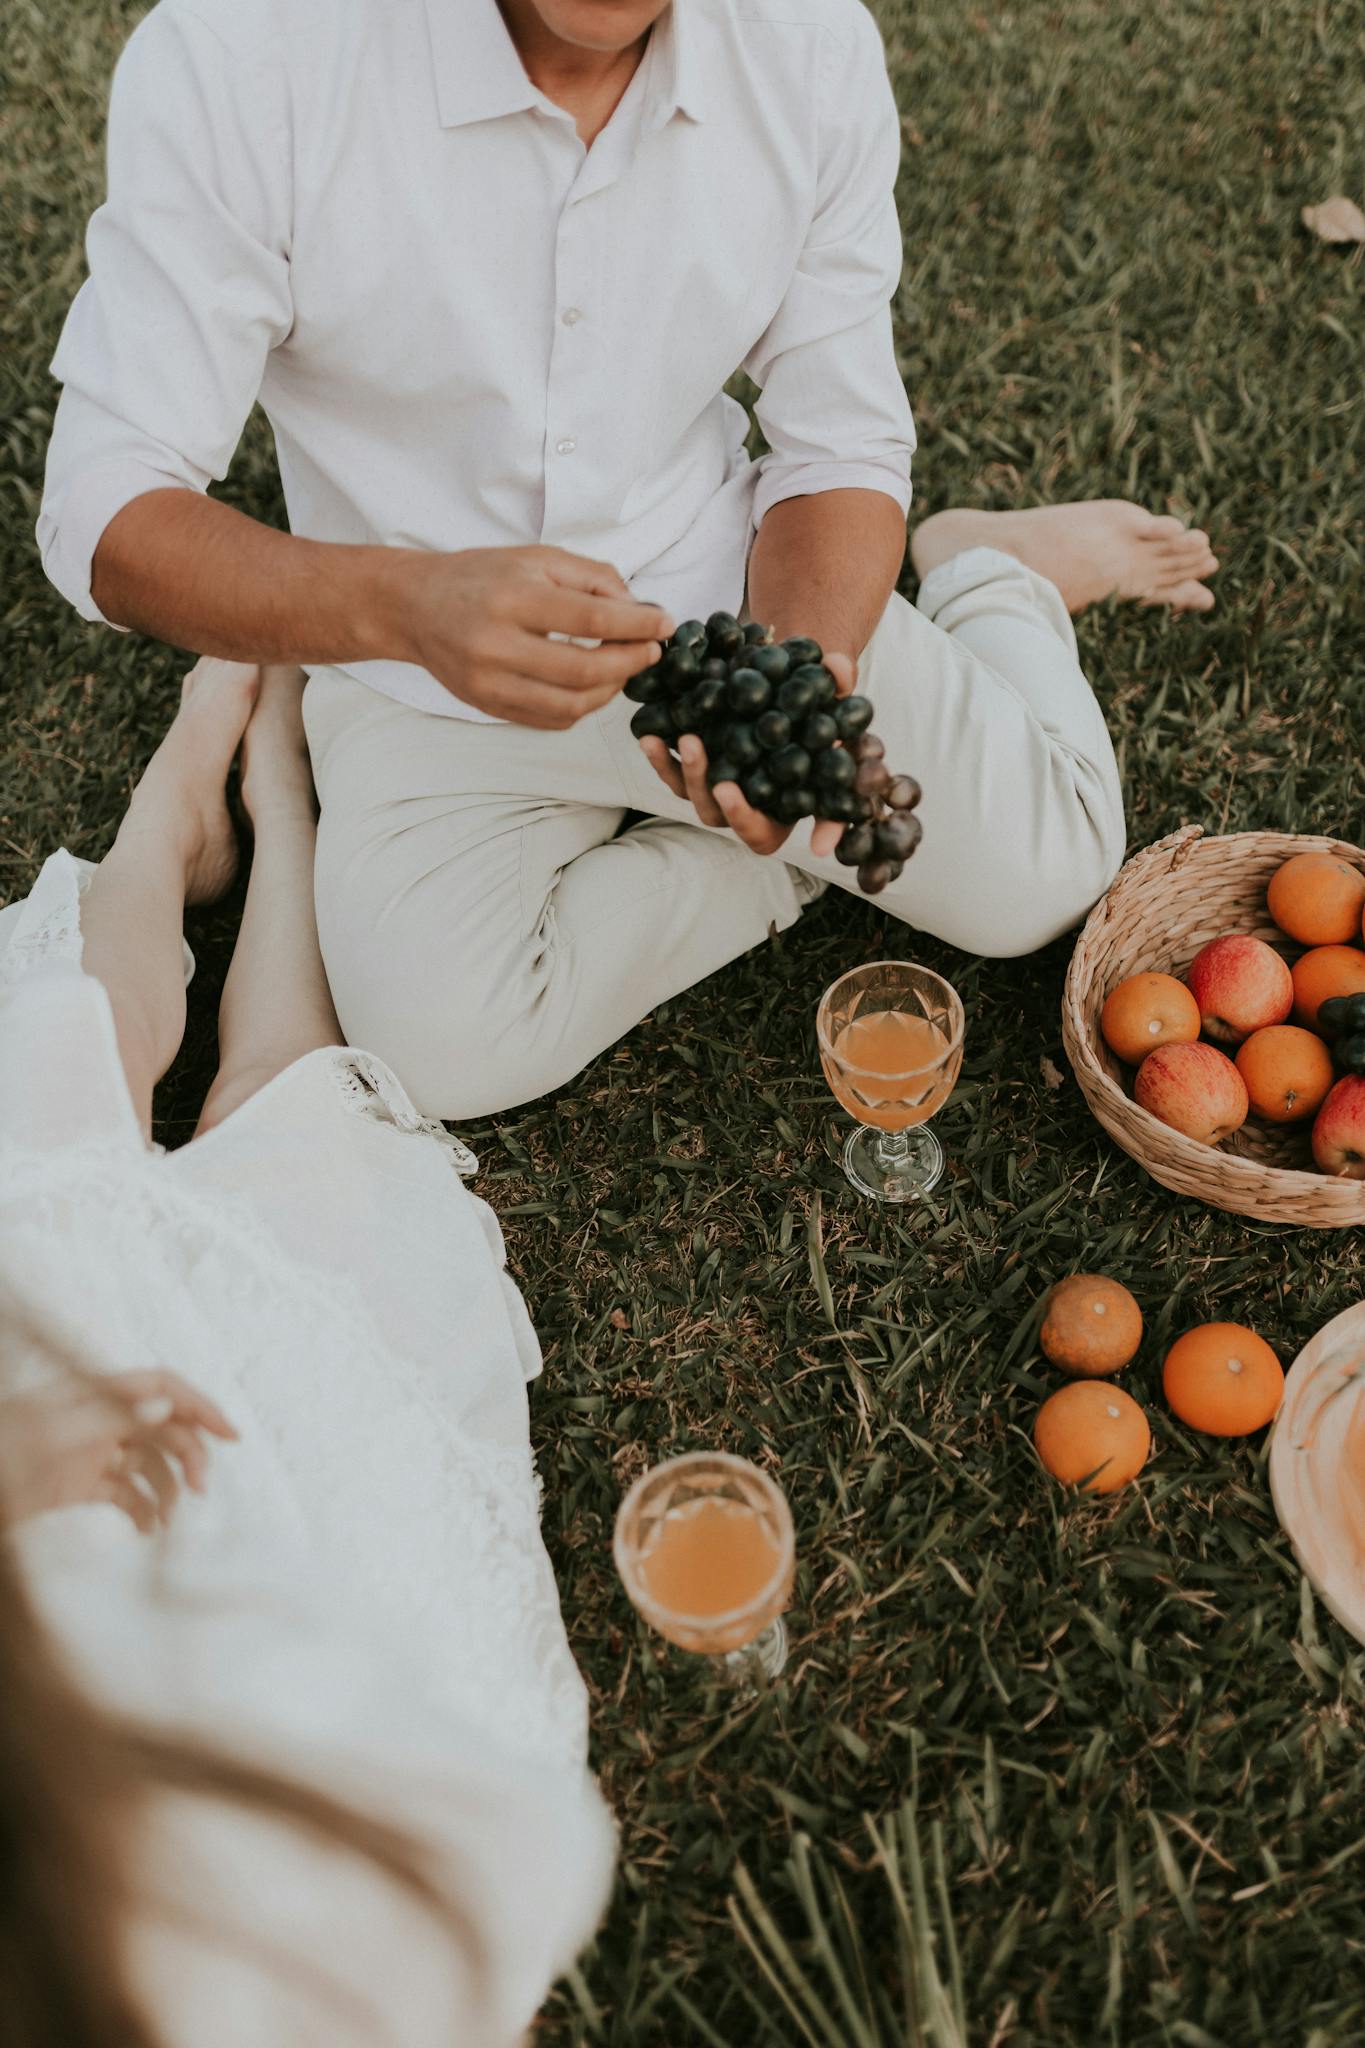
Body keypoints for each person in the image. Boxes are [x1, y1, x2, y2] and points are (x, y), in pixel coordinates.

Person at [38, 0, 1219, 1121]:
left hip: (717, 611)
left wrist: (793, 677)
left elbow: (839, 442)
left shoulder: (804, 45)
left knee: (1053, 876)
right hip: (415, 665)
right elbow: (103, 511)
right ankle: (783, 869)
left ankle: (982, 570)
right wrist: (406, 607)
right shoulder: (246, 54)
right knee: (443, 1047)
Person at [0, 661, 613, 2045]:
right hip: (180, 1672)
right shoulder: (341, 1948)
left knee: (55, 1113)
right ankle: (285, 822)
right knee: (308, 1189)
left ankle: (171, 817)